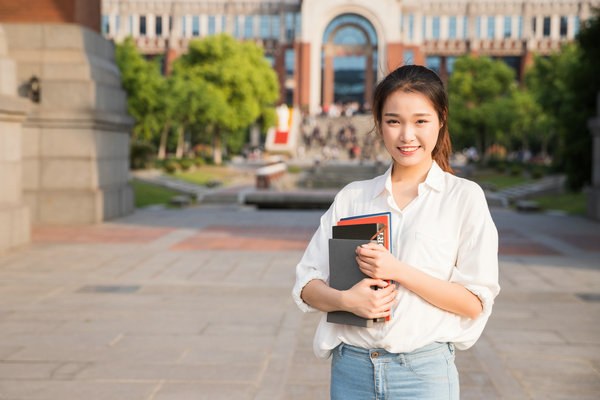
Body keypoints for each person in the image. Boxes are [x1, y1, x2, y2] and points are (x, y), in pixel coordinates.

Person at [292, 65, 500, 400]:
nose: (406, 135)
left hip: (424, 374)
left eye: (420, 121)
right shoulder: (353, 197)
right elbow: (306, 285)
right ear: (378, 123)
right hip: (351, 371)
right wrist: (346, 300)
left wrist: (397, 270)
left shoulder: (463, 198)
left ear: (441, 119)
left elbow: (473, 303)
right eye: (393, 121)